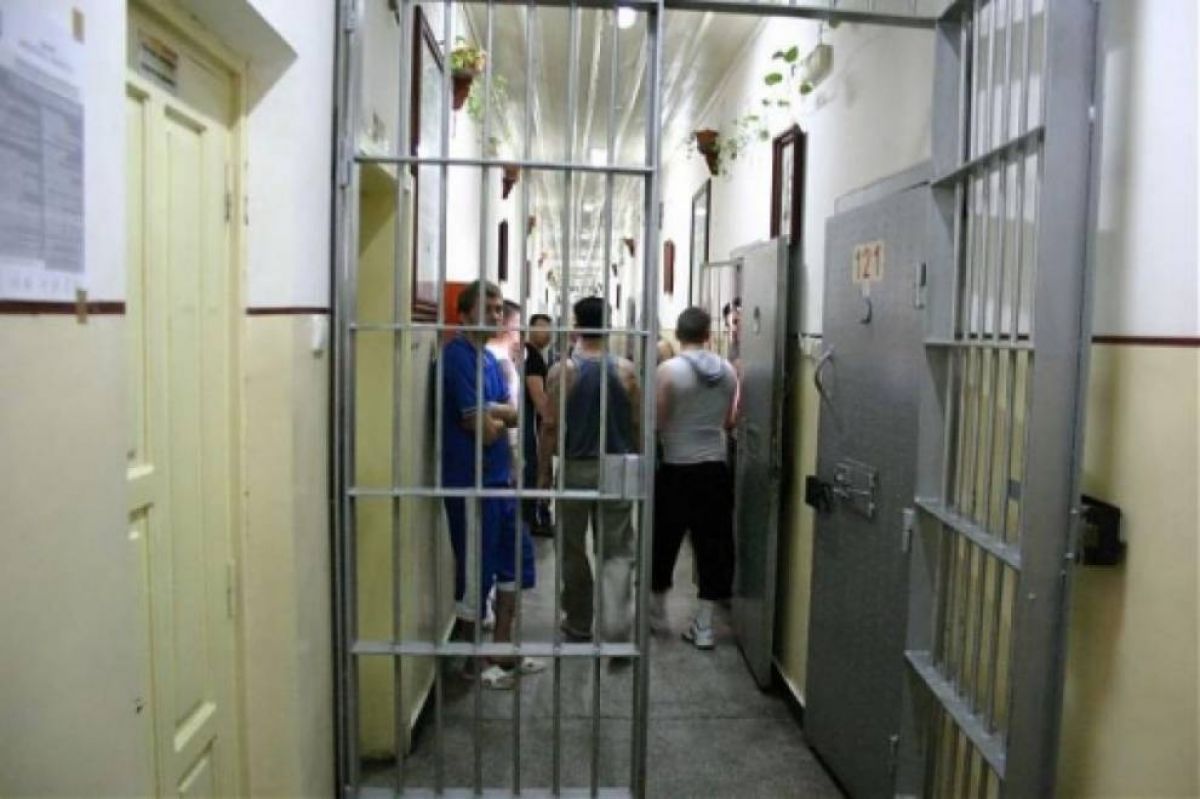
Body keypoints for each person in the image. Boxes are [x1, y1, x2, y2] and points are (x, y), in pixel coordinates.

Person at [442, 280, 545, 688]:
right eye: (487, 308)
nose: (496, 316)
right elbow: (482, 431)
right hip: (471, 483)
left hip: (500, 480)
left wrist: (492, 412)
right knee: (475, 573)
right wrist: (495, 415)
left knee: (513, 565)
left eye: (500, 309)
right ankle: (472, 663)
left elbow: (514, 417)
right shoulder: (457, 358)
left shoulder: (486, 358)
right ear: (464, 314)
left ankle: (501, 650)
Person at [538, 297, 641, 643]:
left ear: (576, 326)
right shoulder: (626, 371)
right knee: (617, 548)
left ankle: (580, 621)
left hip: (575, 467)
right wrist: (638, 465)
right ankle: (616, 623)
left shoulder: (562, 371)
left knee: (572, 547)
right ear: (608, 325)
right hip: (617, 467)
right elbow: (637, 424)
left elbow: (549, 426)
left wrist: (542, 473)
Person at [650, 306, 738, 650]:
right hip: (715, 468)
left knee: (664, 540)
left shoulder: (668, 370)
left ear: (678, 334)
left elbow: (658, 421)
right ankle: (704, 625)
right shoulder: (728, 371)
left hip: (676, 467)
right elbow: (729, 421)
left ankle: (656, 614)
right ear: (708, 335)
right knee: (713, 545)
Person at [522, 314, 553, 536]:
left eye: (550, 329)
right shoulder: (532, 357)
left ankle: (533, 518)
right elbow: (538, 396)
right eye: (543, 328)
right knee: (536, 471)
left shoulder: (532, 355)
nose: (548, 334)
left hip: (532, 425)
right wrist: (550, 419)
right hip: (533, 426)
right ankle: (534, 520)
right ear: (530, 329)